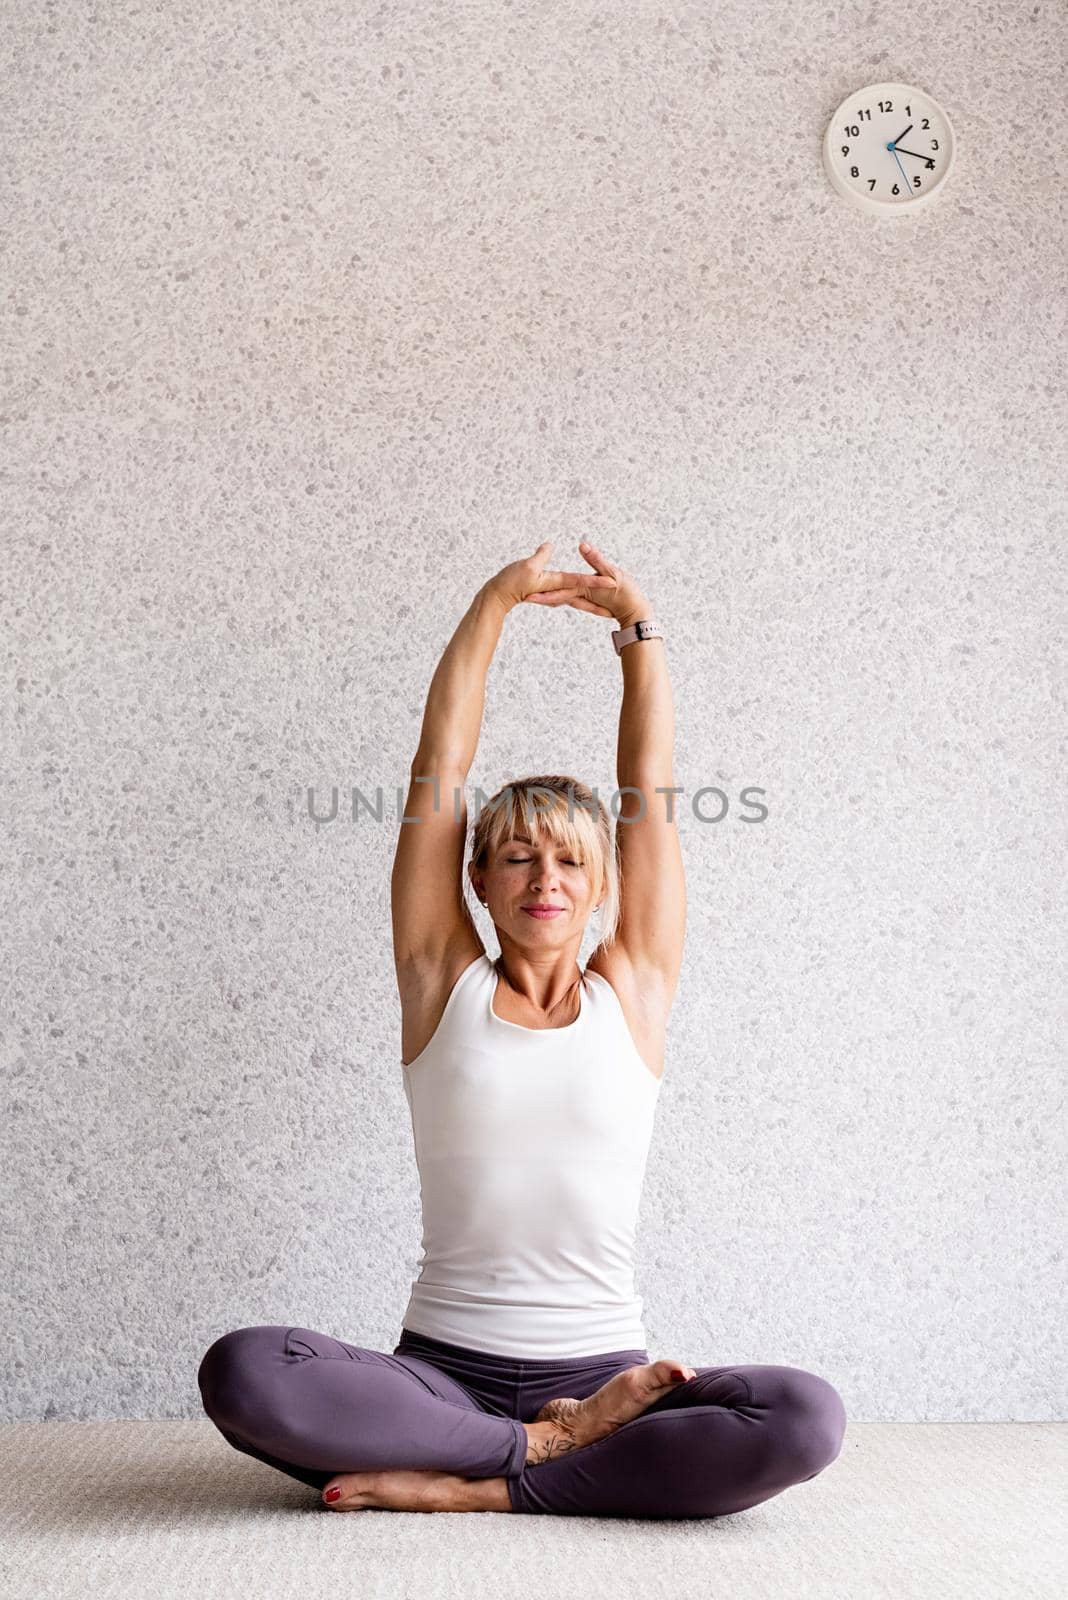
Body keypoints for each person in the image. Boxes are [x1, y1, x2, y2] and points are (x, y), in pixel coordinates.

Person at [197, 540, 846, 1517]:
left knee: (803, 1416)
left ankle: (483, 1490)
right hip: (438, 1382)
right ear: (477, 878)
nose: (546, 879)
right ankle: (540, 1452)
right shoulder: (439, 979)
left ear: (601, 886)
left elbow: (649, 788)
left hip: (608, 1378)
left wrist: (639, 635)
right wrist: (492, 605)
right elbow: (439, 767)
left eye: (571, 861)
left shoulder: (635, 989)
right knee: (245, 1372)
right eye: (517, 856)